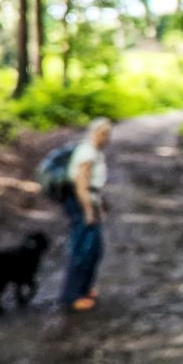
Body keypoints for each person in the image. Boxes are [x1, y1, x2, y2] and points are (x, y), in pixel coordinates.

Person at [60, 117, 112, 312]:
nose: (106, 137)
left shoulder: (95, 152)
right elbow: (81, 185)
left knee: (94, 249)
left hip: (89, 201)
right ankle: (72, 296)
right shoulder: (87, 152)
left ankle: (85, 288)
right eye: (103, 133)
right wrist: (89, 212)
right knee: (83, 249)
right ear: (93, 133)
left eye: (108, 134)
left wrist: (100, 205)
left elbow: (94, 186)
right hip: (80, 203)